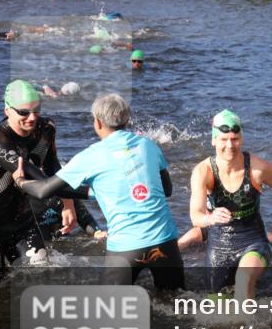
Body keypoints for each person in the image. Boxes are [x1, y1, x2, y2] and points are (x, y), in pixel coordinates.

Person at [13, 93, 184, 290]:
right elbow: (167, 190)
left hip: (126, 248)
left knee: (106, 310)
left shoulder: (91, 156)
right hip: (165, 243)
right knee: (176, 302)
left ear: (98, 123)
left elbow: (43, 191)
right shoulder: (148, 145)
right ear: (126, 119)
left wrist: (20, 181)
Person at [188, 109, 272, 300]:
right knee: (216, 303)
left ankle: (250, 328)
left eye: (235, 139)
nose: (230, 145)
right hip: (219, 247)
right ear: (214, 140)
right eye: (224, 139)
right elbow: (195, 215)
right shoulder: (203, 171)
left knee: (244, 278)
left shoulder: (257, 168)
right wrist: (210, 217)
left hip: (253, 242)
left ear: (242, 139)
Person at [0, 81, 86, 286]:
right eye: (24, 112)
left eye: (36, 110)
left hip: (22, 222)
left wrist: (68, 204)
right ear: (7, 111)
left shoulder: (46, 129)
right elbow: (41, 180)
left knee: (45, 281)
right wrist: (96, 191)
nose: (32, 118)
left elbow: (53, 168)